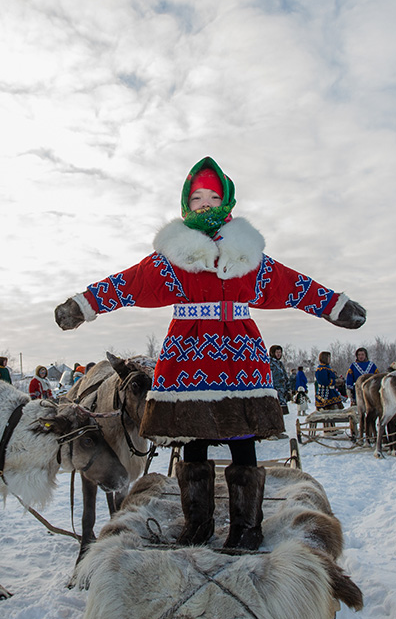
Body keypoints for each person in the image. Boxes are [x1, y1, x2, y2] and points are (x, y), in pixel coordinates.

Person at [54, 156, 365, 550]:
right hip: (188, 358)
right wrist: (83, 305)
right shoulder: (174, 257)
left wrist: (335, 306)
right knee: (193, 440)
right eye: (196, 196)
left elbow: (291, 284)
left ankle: (246, 529)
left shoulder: (246, 256)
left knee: (242, 440)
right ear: (187, 203)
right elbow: (128, 283)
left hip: (239, 354)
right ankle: (197, 524)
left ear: (226, 201)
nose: (203, 203)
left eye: (211, 196)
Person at [268, 345, 289, 416]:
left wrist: (288, 388)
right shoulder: (269, 363)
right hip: (275, 391)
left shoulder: (280, 363)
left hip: (282, 392)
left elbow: (285, 377)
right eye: (277, 352)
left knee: (282, 413)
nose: (279, 354)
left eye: (280, 352)